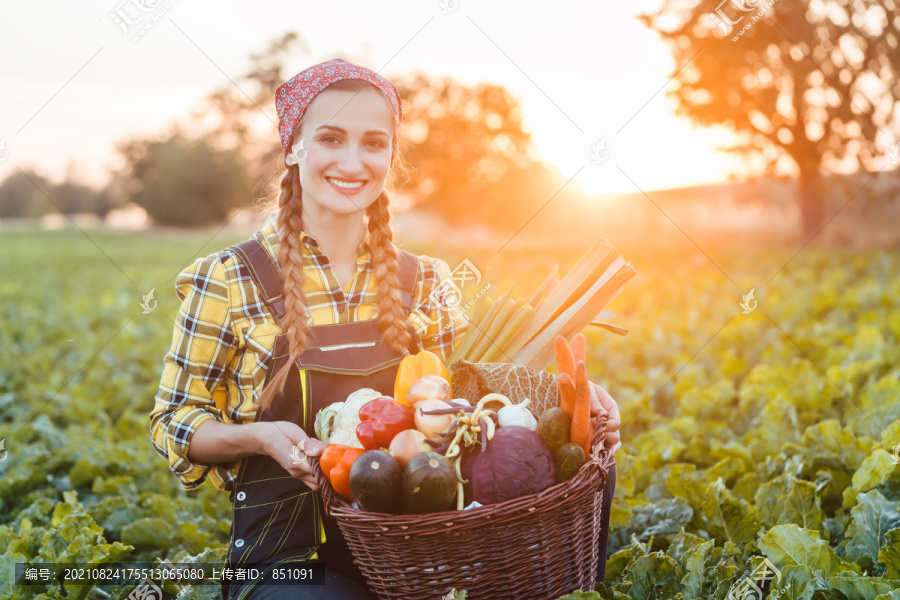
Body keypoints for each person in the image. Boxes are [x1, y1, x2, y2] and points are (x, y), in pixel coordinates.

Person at [149, 57, 622, 600]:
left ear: (390, 156)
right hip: (289, 556)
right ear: (293, 149)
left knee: (595, 478)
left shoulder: (422, 280)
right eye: (330, 138)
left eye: (374, 143)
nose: (353, 162)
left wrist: (580, 402)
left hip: (417, 547)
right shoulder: (231, 278)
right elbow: (175, 420)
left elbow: (462, 397)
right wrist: (259, 437)